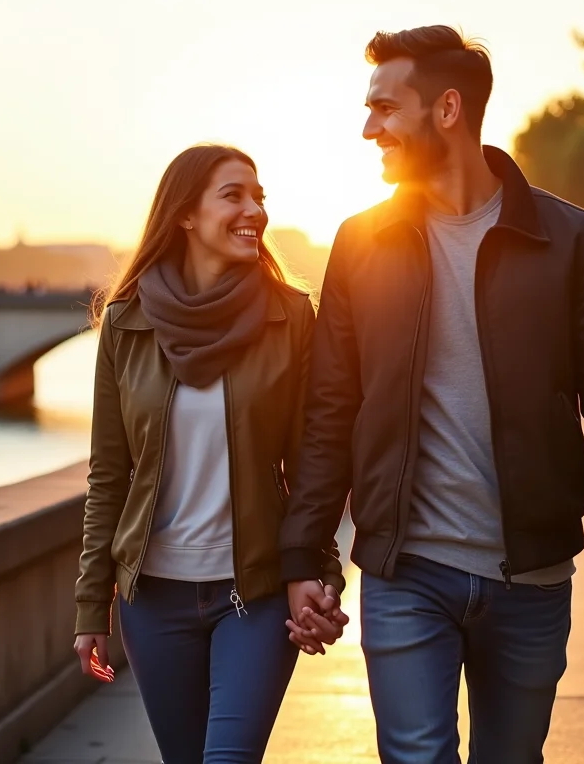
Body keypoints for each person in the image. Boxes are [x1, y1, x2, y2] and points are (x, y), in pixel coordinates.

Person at [279, 26, 584, 763]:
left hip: (533, 575)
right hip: (406, 571)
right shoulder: (360, 244)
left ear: (447, 109)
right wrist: (307, 558)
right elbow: (330, 413)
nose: (369, 129)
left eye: (386, 108)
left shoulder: (568, 237)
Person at [73, 144, 348, 763]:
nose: (255, 210)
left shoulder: (290, 316)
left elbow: (312, 468)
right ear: (186, 215)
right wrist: (92, 603)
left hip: (252, 590)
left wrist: (321, 575)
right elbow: (108, 476)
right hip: (153, 598)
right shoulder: (126, 322)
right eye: (234, 195)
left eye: (260, 197)